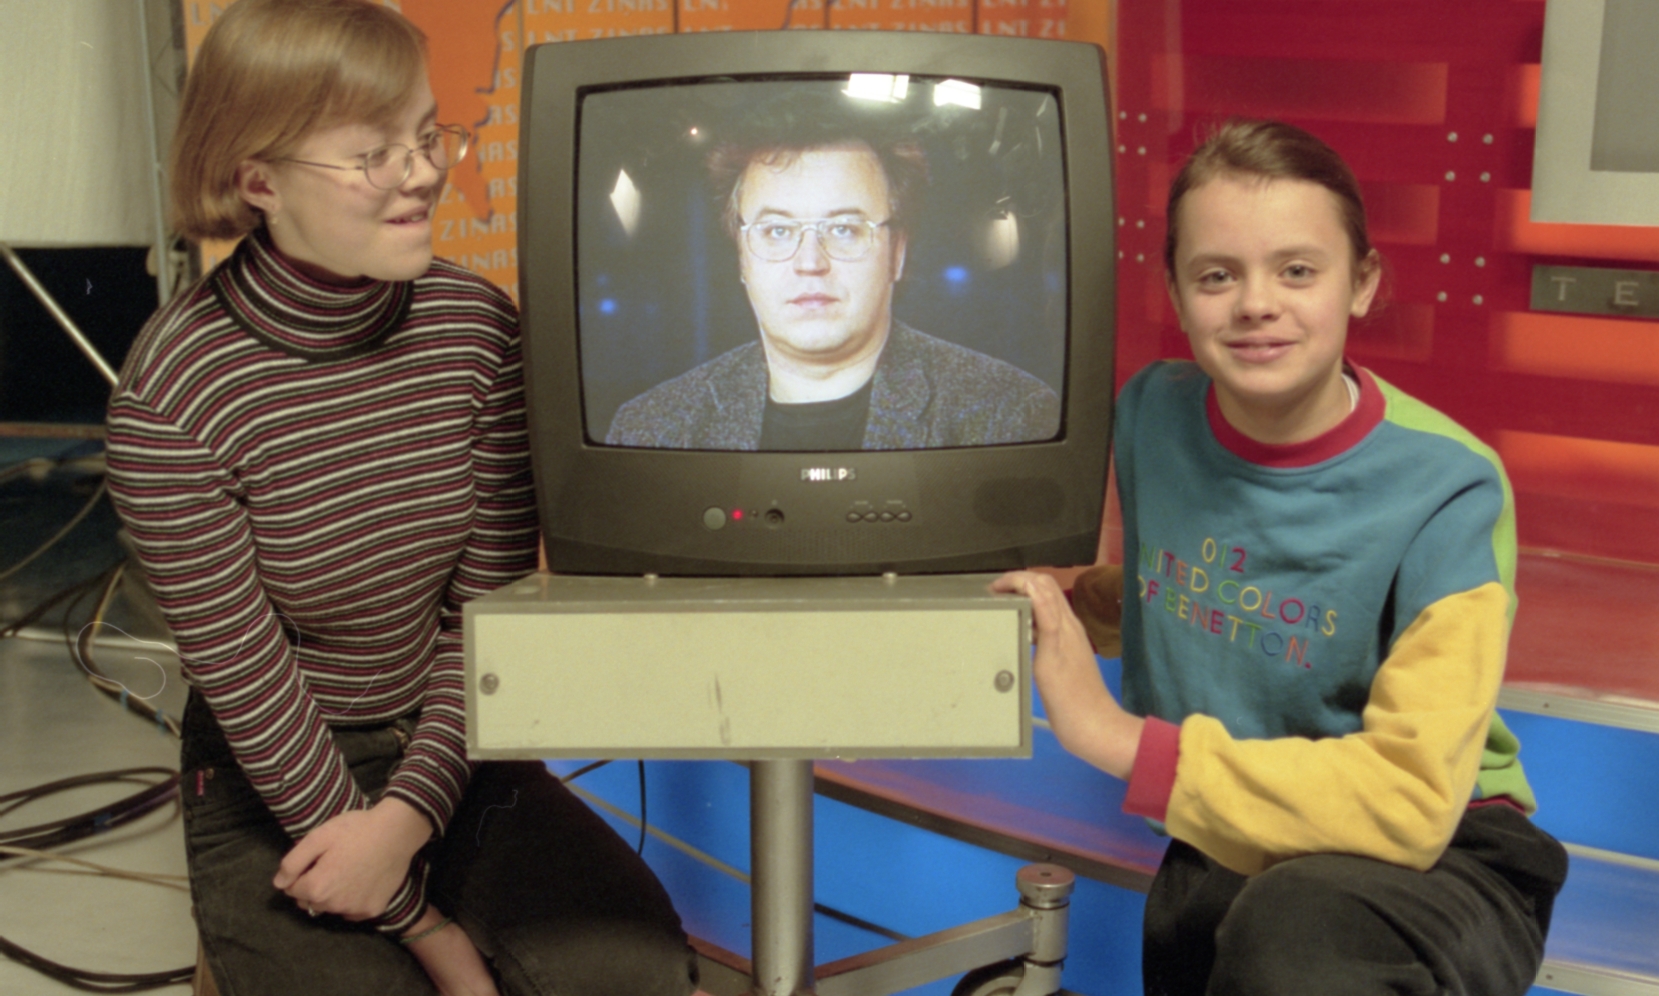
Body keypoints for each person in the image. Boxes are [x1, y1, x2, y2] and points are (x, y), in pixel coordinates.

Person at [104, 3, 701, 994]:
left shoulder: (477, 330)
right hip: (274, 772)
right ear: (259, 180)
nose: (421, 173)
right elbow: (250, 683)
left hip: (453, 746)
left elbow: (483, 619)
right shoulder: (173, 394)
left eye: (426, 136)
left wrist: (409, 818)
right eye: (372, 154)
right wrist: (427, 929)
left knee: (633, 973)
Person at [994, 120, 1567, 996]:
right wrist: (1058, 611)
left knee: (1292, 934)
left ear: (1361, 284)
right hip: (1242, 832)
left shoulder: (1449, 485)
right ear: (1176, 292)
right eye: (1216, 275)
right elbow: (1205, 589)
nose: (1255, 303)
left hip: (1441, 851)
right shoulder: (1151, 415)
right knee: (1218, 921)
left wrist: (1107, 733)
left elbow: (1410, 800)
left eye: (1297, 270)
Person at [604, 101, 1060, 450]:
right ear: (742, 257)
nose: (810, 262)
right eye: (777, 230)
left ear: (897, 252)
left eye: (843, 229)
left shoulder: (1010, 414)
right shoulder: (651, 428)